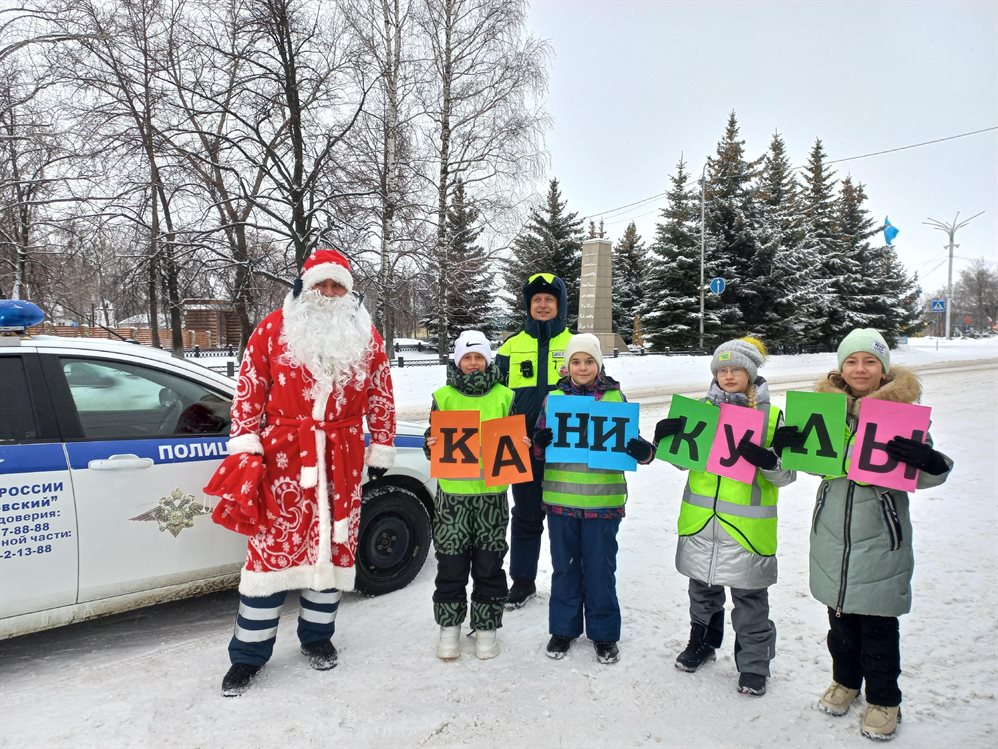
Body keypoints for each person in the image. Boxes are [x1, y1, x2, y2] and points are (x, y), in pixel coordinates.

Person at [203, 248, 397, 697]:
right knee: (270, 554)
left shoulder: (366, 335)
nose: (329, 294)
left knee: (333, 548)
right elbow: (249, 392)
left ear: (349, 292)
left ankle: (317, 637)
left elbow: (381, 394)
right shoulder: (272, 329)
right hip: (284, 459)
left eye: (338, 286)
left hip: (344, 459)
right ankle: (248, 656)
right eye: (321, 285)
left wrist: (380, 444)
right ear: (305, 286)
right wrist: (247, 447)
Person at [784, 328, 952, 740]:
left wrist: (930, 460)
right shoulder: (821, 410)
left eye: (870, 361)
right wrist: (784, 443)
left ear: (884, 368)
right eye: (852, 361)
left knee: (878, 627)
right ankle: (845, 682)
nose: (861, 369)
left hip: (881, 536)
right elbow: (806, 462)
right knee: (839, 623)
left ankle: (884, 700)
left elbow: (928, 477)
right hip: (831, 535)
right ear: (841, 367)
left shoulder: (902, 413)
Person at [653, 337, 796, 697]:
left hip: (747, 529)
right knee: (701, 590)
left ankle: (753, 664)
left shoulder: (773, 417)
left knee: (750, 599)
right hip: (701, 521)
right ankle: (702, 643)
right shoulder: (701, 409)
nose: (729, 375)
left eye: (737, 370)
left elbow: (787, 476)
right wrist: (664, 442)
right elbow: (682, 460)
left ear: (751, 374)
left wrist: (772, 462)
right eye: (722, 369)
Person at [531, 333, 653, 664]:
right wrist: (538, 442)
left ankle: (603, 633)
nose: (582, 367)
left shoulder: (615, 396)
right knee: (564, 568)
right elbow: (538, 450)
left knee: (600, 570)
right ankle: (563, 629)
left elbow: (632, 442)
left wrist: (645, 452)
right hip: (561, 500)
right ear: (566, 365)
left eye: (588, 361)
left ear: (598, 364)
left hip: (602, 502)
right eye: (575, 361)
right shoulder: (553, 399)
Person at [423, 330, 528, 660]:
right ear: (457, 360)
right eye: (467, 357)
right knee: (451, 567)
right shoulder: (443, 397)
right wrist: (431, 443)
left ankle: (486, 628)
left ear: (487, 360)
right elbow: (435, 438)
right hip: (453, 499)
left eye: (478, 357)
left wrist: (524, 444)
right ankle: (449, 628)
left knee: (489, 566)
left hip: (491, 498)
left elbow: (515, 442)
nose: (472, 363)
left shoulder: (505, 396)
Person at [495, 273, 574, 608]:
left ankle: (568, 582)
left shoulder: (576, 344)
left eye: (549, 300)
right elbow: (492, 395)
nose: (543, 305)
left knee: (566, 519)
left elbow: (598, 391)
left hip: (565, 446)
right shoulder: (511, 346)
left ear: (560, 305)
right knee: (525, 514)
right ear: (529, 306)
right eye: (537, 300)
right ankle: (523, 581)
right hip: (522, 445)